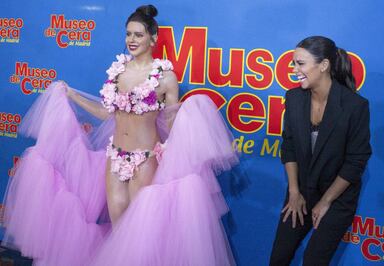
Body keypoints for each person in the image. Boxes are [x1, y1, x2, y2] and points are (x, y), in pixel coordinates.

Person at [2, 5, 238, 266]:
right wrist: (72, 95)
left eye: (138, 35)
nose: (131, 41)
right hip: (114, 158)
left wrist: (190, 140)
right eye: (128, 34)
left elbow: (171, 122)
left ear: (153, 38)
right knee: (118, 230)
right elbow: (106, 114)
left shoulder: (166, 78)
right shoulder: (117, 71)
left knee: (141, 234)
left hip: (146, 159)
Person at [269, 36, 372, 266]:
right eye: (293, 63)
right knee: (278, 257)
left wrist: (326, 201)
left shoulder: (355, 106)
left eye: (300, 63)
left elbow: (356, 162)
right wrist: (294, 192)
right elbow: (289, 146)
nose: (294, 69)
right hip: (301, 191)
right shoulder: (294, 97)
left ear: (323, 65)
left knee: (314, 260)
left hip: (337, 198)